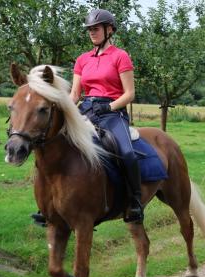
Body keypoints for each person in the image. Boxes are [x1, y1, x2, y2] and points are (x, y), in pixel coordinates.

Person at [31, 9, 143, 225]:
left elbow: (129, 93)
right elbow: (75, 94)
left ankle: (134, 202)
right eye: (90, 29)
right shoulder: (82, 59)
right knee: (55, 147)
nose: (92, 32)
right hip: (86, 111)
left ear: (109, 30)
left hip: (112, 113)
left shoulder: (121, 56)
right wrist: (63, 108)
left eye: (96, 28)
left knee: (127, 153)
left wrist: (109, 107)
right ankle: (47, 204)